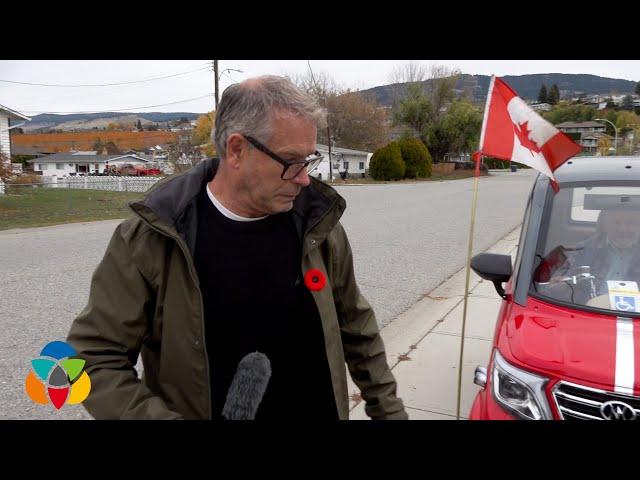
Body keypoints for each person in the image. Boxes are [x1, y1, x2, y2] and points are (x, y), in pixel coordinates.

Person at [67, 75, 408, 420]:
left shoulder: (317, 224)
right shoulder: (153, 238)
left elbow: (356, 325)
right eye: (292, 161)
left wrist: (390, 411)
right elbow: (93, 358)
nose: (305, 178)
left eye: (310, 160)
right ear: (237, 150)